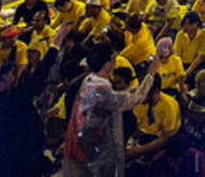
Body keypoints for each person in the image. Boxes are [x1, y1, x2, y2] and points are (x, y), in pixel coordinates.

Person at [63, 41, 158, 177]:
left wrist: (135, 88)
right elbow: (134, 99)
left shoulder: (90, 79)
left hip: (85, 143)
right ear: (108, 63)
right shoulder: (100, 89)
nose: (115, 60)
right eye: (113, 57)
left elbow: (118, 96)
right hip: (93, 150)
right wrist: (151, 75)